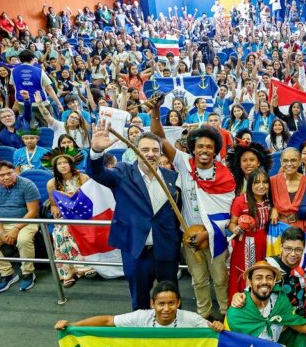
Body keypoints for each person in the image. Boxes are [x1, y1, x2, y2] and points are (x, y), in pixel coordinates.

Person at [150, 101, 235, 319]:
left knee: (220, 278)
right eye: (200, 146)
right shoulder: (183, 163)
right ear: (193, 148)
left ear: (215, 150)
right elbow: (159, 140)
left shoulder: (226, 176)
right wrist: (156, 113)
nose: (204, 150)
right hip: (189, 237)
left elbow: (228, 213)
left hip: (216, 237)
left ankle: (226, 315)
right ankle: (203, 315)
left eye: (209, 147)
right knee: (198, 280)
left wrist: (207, 233)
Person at [89, 125, 181, 311]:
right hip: (136, 249)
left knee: (171, 298)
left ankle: (172, 334)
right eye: (145, 149)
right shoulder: (123, 173)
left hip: (166, 248)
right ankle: (141, 334)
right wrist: (97, 152)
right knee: (139, 300)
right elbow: (97, 173)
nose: (151, 154)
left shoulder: (172, 177)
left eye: (155, 150)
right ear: (135, 152)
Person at [54, 281, 222, 331]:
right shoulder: (141, 316)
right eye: (161, 304)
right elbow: (107, 321)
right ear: (152, 304)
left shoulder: (191, 319)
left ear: (178, 303)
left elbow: (215, 331)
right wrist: (72, 325)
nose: (166, 309)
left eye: (171, 303)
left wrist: (218, 326)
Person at [0, 161, 42, 293]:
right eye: (1, 175)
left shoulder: (27, 184)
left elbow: (32, 212)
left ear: (15, 172)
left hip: (27, 221)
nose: (6, 177)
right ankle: (7, 273)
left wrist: (16, 229)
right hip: (3, 223)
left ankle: (28, 272)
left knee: (23, 240)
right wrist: (1, 232)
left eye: (9, 173)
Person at [44, 148, 95, 287]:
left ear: (71, 164)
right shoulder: (51, 183)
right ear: (55, 167)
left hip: (83, 214)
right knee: (59, 233)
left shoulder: (83, 178)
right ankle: (67, 273)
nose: (62, 165)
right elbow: (53, 204)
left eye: (65, 162)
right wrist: (54, 209)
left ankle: (84, 267)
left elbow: (90, 199)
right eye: (59, 163)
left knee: (72, 230)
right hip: (64, 216)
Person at [228, 169, 272, 297]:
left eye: (265, 182)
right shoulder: (241, 201)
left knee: (265, 274)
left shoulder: (270, 201)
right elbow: (232, 224)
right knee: (248, 275)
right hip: (247, 245)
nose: (261, 185)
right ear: (250, 184)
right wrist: (235, 229)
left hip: (267, 242)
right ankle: (244, 308)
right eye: (256, 182)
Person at [269, 147, 306, 234]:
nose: (289, 164)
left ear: (300, 162)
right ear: (281, 162)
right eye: (285, 161)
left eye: (293, 160)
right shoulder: (272, 181)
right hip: (278, 228)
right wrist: (273, 209)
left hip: (303, 230)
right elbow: (264, 203)